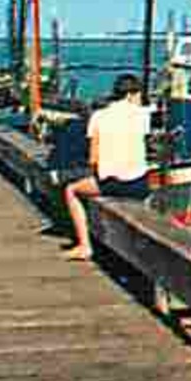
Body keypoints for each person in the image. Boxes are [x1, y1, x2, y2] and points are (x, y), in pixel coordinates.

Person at [62, 73, 150, 261]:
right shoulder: (143, 115)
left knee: (71, 190)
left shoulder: (99, 117)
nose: (140, 99)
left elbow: (94, 158)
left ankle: (85, 245)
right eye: (139, 95)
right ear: (130, 95)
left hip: (112, 183)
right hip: (140, 184)